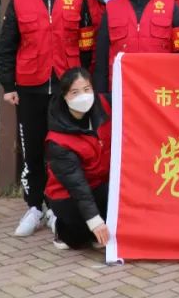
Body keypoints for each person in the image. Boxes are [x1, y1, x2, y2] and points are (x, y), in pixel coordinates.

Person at [0, 0, 95, 237]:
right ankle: (34, 207)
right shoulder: (20, 0)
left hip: (67, 89)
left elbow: (86, 43)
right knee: (33, 149)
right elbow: (7, 45)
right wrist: (8, 85)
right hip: (30, 87)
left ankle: (57, 206)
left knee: (64, 149)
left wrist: (83, 82)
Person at [44, 66, 112, 250]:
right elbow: (77, 185)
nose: (84, 96)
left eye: (87, 89)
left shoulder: (104, 104)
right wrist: (94, 221)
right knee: (79, 239)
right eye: (75, 92)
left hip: (100, 184)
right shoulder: (57, 141)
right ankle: (60, 225)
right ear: (65, 96)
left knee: (109, 224)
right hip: (68, 195)